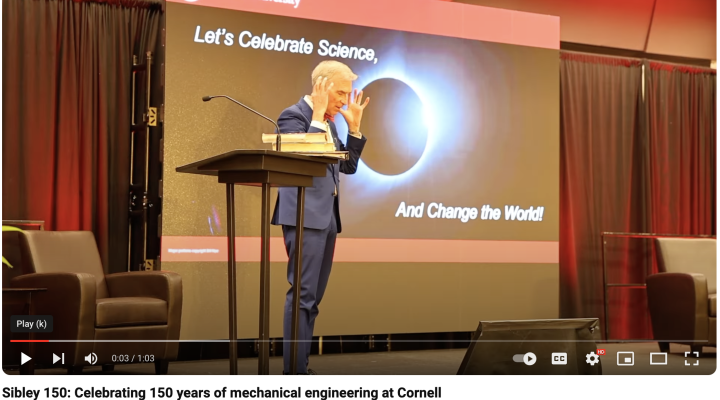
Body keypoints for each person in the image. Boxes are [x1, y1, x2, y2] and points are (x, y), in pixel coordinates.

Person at [271, 60, 370, 374]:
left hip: (326, 219)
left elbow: (346, 166)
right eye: (340, 92)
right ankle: (293, 374)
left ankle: (301, 367)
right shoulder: (294, 116)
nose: (344, 99)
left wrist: (354, 129)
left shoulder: (330, 123)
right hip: (303, 216)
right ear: (322, 86)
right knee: (301, 295)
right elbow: (301, 159)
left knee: (312, 300)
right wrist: (316, 117)